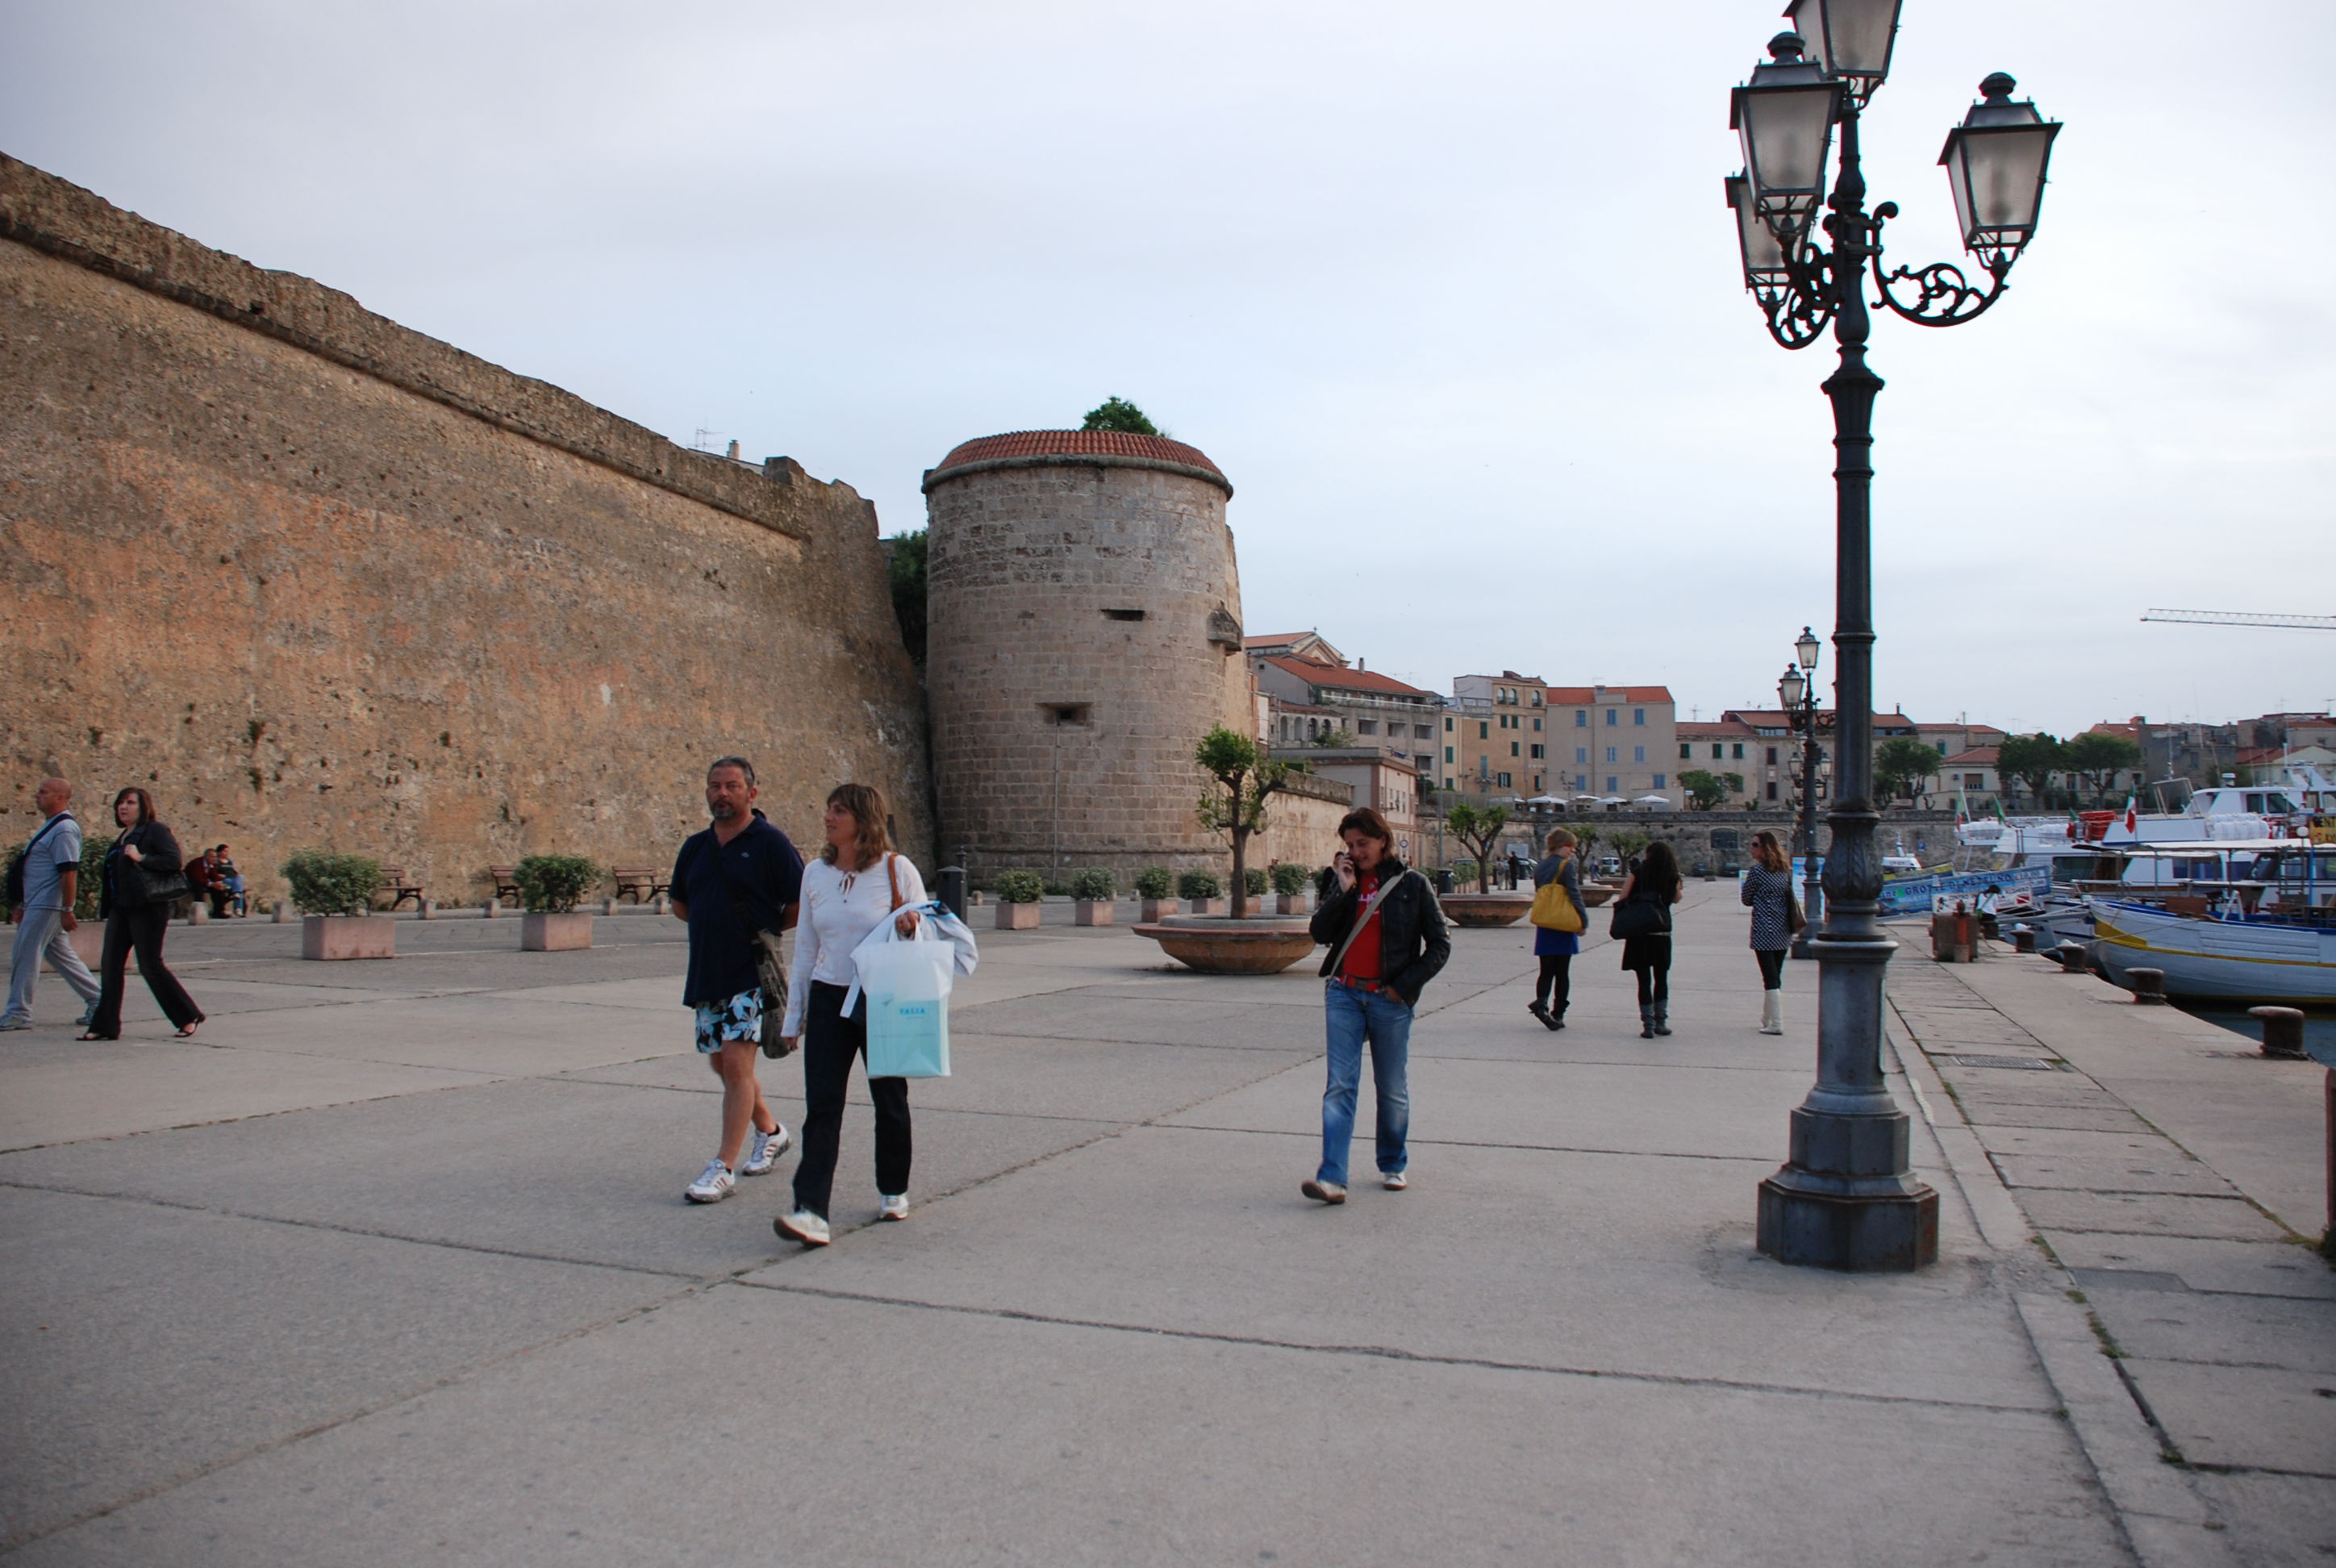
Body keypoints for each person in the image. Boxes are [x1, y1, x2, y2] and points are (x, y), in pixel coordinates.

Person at [772, 782, 926, 1247]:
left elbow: (927, 940)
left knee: (890, 1100)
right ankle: (811, 1210)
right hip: (827, 998)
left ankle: (893, 1186)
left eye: (839, 811)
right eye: (828, 809)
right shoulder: (815, 874)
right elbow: (805, 948)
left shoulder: (897, 870)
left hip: (879, 999)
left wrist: (908, 929)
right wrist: (793, 1016)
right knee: (822, 1106)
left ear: (865, 819)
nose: (828, 817)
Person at [668, 757, 804, 1205]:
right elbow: (681, 904)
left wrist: (759, 935)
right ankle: (771, 1131)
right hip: (707, 970)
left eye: (731, 786)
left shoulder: (769, 843)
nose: (721, 794)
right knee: (721, 1063)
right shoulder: (695, 847)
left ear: (751, 792)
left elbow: (798, 903)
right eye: (714, 786)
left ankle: (722, 1167)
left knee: (737, 1061)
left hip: (750, 972)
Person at [1301, 806, 1450, 1204]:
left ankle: (1392, 1162)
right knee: (1339, 1087)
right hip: (1345, 994)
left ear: (1382, 839)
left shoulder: (1412, 885)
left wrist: (1403, 988)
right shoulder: (1345, 881)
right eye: (1350, 845)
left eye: (1362, 843)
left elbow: (1440, 945)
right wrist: (1343, 888)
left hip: (1388, 1000)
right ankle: (1332, 1177)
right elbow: (1319, 933)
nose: (1356, 851)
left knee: (1391, 1088)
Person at [82, 787, 204, 1040]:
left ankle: (187, 1015)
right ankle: (105, 1026)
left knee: (150, 965)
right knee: (110, 965)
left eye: (130, 803)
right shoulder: (122, 836)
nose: (123, 807)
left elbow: (173, 861)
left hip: (148, 908)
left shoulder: (154, 830)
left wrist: (142, 857)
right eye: (120, 803)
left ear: (143, 807)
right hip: (121, 908)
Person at [3, 778, 101, 1032]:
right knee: (62, 957)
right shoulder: (51, 827)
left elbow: (69, 872)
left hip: (47, 906)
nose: (37, 795)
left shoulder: (65, 829)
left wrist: (67, 909)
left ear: (60, 797)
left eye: (43, 791)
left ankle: (18, 1013)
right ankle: (99, 1002)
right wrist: (23, 903)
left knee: (25, 955)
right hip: (37, 903)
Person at [1616, 840, 1683, 1040]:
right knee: (1661, 978)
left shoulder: (1637, 873)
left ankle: (1647, 1024)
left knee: (1643, 980)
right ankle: (1661, 1022)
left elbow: (1622, 898)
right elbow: (1677, 899)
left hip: (1639, 932)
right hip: (1661, 933)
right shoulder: (1672, 876)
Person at [1527, 828, 1583, 1031]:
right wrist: (1582, 920)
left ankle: (1541, 1002)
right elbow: (1574, 895)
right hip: (1563, 922)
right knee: (1562, 972)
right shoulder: (1566, 867)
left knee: (1546, 970)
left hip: (1545, 922)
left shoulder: (1540, 867)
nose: (1573, 852)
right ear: (1563, 846)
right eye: (1571, 847)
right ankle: (1558, 1013)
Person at [1740, 830, 1795, 1036]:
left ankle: (1777, 1022)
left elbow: (1746, 898)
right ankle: (1768, 1017)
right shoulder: (1785, 871)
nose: (1751, 848)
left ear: (1765, 848)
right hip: (1783, 929)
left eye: (1755, 845)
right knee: (1775, 975)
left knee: (1769, 977)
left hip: (1764, 929)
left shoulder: (1758, 871)